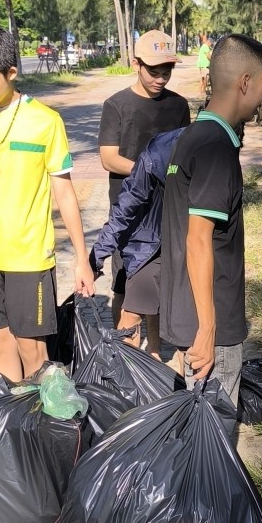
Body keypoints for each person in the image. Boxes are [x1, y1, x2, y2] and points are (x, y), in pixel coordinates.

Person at [0, 26, 95, 384]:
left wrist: (81, 259)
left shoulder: (45, 122)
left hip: (29, 257)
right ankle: (9, 430)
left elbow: (64, 193)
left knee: (33, 349)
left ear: (11, 72)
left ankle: (44, 430)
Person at [160, 34, 262, 421]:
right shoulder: (215, 149)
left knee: (193, 443)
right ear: (245, 82)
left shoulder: (192, 136)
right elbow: (198, 241)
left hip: (186, 316)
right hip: (212, 329)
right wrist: (208, 329)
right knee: (210, 453)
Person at [97, 30, 191, 349]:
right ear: (136, 64)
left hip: (166, 213)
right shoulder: (117, 105)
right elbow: (108, 158)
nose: (161, 78)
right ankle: (124, 353)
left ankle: (154, 351)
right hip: (130, 211)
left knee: (156, 283)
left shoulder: (178, 106)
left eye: (167, 71)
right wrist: (148, 168)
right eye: (154, 70)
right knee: (124, 286)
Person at [90, 126, 185, 358]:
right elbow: (124, 208)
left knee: (175, 318)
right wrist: (95, 257)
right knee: (133, 311)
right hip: (149, 246)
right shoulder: (155, 155)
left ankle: (155, 356)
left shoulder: (212, 151)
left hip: (186, 245)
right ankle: (122, 370)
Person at [196, 33, 212, 102]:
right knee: (205, 78)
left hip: (201, 64)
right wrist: (213, 60)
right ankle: (204, 92)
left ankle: (200, 92)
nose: (211, 45)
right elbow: (208, 56)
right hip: (204, 65)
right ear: (209, 42)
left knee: (202, 79)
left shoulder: (204, 46)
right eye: (211, 44)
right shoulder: (206, 47)